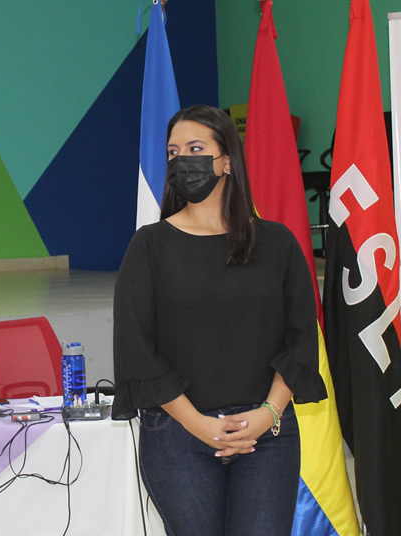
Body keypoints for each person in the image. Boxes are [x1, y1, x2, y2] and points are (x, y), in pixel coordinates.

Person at [112, 105, 327, 536]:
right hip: (178, 435)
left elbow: (301, 338)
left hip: (266, 434)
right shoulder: (149, 245)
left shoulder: (277, 243)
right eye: (173, 152)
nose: (181, 160)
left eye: (195, 148)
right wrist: (200, 426)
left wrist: (268, 413)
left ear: (227, 159)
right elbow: (136, 349)